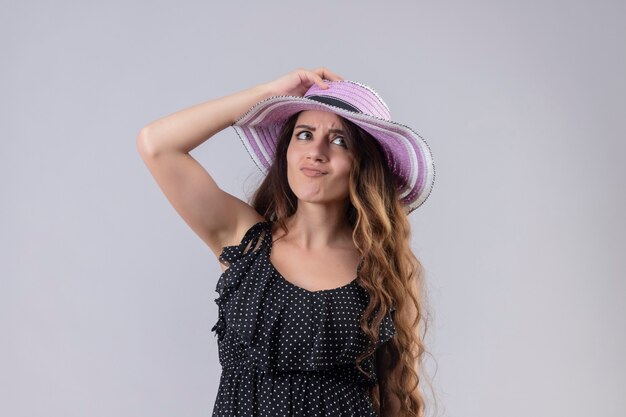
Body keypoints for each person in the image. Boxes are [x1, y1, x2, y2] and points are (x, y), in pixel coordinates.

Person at [136, 68, 436, 417]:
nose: (316, 152)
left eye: (340, 141)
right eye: (304, 135)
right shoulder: (245, 243)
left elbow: (397, 403)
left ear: (363, 164)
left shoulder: (386, 271)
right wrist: (270, 93)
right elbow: (157, 144)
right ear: (287, 152)